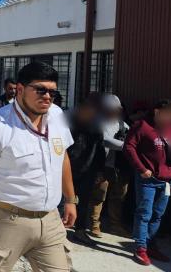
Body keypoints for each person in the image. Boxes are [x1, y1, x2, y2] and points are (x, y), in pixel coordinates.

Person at [0, 62, 77, 271]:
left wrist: (70, 200)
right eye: (40, 90)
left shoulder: (56, 115)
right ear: (19, 89)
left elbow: (62, 157)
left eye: (52, 92)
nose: (47, 97)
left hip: (50, 220)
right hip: (7, 220)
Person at [124, 99, 171, 266]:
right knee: (144, 213)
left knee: (157, 214)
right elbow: (128, 147)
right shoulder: (142, 126)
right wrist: (141, 168)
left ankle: (150, 243)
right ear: (157, 112)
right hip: (148, 180)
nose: (170, 118)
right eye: (167, 114)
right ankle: (140, 247)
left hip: (167, 181)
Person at [88, 94, 131, 238]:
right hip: (102, 165)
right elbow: (104, 140)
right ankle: (94, 224)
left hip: (119, 167)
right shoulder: (96, 122)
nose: (113, 111)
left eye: (116, 109)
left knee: (118, 197)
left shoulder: (123, 125)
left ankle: (115, 225)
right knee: (99, 196)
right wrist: (126, 146)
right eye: (109, 109)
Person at [66, 98, 106, 243]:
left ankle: (80, 230)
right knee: (63, 201)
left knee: (83, 203)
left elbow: (100, 151)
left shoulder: (96, 128)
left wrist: (100, 171)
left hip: (88, 171)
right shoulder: (68, 126)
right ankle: (58, 231)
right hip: (67, 171)